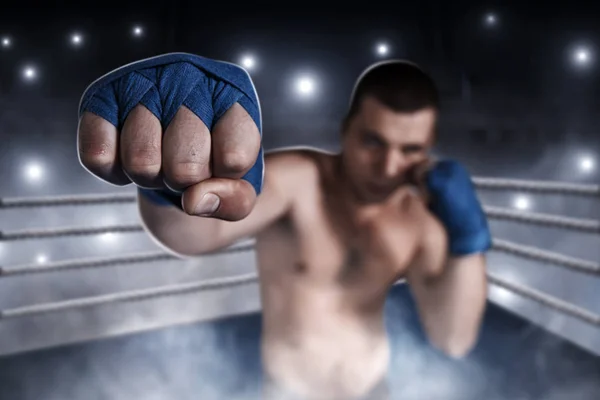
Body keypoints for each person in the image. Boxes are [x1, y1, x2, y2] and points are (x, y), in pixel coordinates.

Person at [77, 53, 491, 400]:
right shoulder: (300, 181)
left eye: (410, 150)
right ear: (346, 131)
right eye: (373, 142)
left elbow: (452, 337)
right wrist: (171, 185)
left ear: (429, 148)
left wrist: (468, 238)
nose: (388, 167)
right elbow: (191, 235)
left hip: (373, 389)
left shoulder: (419, 219)